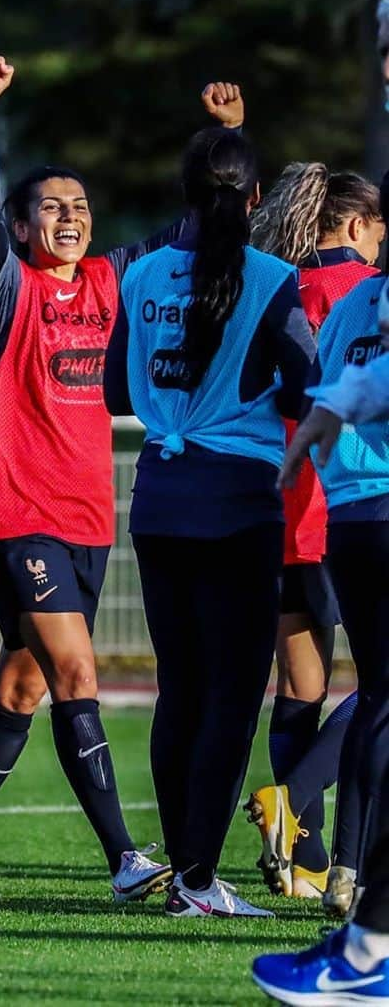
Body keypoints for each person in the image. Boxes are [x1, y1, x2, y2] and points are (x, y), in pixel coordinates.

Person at [0, 57, 237, 901]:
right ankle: (127, 859)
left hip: (88, 517)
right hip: (19, 514)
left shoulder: (107, 278)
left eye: (79, 205)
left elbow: (195, 229)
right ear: (20, 230)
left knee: (23, 684)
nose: (70, 217)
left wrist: (226, 143)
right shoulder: (7, 290)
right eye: (50, 207)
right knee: (78, 678)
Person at [104, 126, 316, 917]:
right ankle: (196, 879)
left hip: (160, 498)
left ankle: (189, 877)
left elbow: (116, 397)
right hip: (236, 504)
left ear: (183, 194)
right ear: (255, 199)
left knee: (179, 692)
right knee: (231, 695)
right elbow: (304, 389)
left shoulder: (143, 274)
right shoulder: (271, 277)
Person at [243, 164, 383, 906]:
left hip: (280, 507)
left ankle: (308, 860)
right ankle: (299, 804)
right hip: (347, 504)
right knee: (380, 690)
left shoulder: (279, 287)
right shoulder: (366, 293)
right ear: (359, 227)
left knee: (300, 689)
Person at [252, 267, 389, 1002]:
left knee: (374, 701)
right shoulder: (358, 294)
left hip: (344, 515)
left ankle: (362, 924)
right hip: (366, 507)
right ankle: (368, 945)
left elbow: (318, 385)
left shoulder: (337, 302)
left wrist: (328, 413)